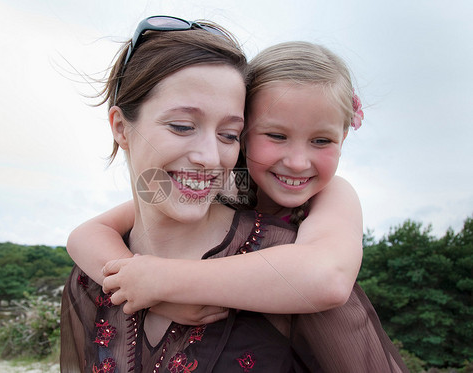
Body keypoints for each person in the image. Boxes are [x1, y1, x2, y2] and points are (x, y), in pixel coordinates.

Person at [61, 16, 408, 372]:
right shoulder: (232, 183)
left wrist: (164, 281)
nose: (298, 161)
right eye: (275, 136)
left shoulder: (332, 194)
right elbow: (85, 234)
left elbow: (328, 277)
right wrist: (150, 296)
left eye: (321, 141)